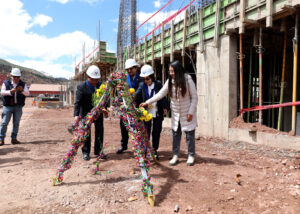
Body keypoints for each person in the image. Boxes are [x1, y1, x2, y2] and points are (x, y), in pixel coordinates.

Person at [140, 61, 198, 166]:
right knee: (176, 134)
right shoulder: (170, 81)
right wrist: (147, 102)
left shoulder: (188, 80)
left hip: (187, 112)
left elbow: (194, 97)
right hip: (176, 113)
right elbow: (160, 94)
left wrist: (191, 112)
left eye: (172, 71)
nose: (171, 73)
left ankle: (191, 155)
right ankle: (175, 155)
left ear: (178, 71)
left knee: (189, 135)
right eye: (170, 71)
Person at [74, 65, 108, 161]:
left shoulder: (101, 86)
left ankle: (98, 151)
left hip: (98, 113)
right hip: (85, 113)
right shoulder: (81, 87)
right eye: (93, 79)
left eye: (97, 79)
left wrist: (105, 108)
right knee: (86, 133)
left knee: (99, 132)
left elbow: (105, 99)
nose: (95, 82)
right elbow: (77, 102)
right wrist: (76, 115)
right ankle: (86, 152)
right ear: (87, 77)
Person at [138, 64, 168, 160]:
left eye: (148, 79)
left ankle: (154, 150)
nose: (146, 81)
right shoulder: (142, 85)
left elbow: (163, 96)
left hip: (157, 112)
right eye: (144, 79)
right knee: (146, 132)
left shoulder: (158, 84)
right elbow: (137, 95)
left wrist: (165, 107)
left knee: (156, 132)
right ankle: (146, 151)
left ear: (152, 77)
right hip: (147, 113)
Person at [116, 58, 143, 154]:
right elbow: (119, 92)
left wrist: (130, 99)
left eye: (131, 68)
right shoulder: (124, 80)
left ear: (136, 68)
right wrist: (120, 100)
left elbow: (139, 91)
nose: (129, 71)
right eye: (128, 69)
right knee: (123, 126)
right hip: (125, 107)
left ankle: (139, 146)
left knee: (137, 128)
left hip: (136, 107)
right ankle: (124, 145)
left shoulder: (141, 79)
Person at [0, 68, 30, 145]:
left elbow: (27, 94)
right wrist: (10, 91)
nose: (16, 78)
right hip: (7, 107)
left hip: (18, 107)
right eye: (15, 77)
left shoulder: (23, 84)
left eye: (18, 77)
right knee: (4, 123)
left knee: (16, 123)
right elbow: (2, 92)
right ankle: (1, 139)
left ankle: (14, 139)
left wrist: (22, 91)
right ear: (11, 76)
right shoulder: (6, 83)